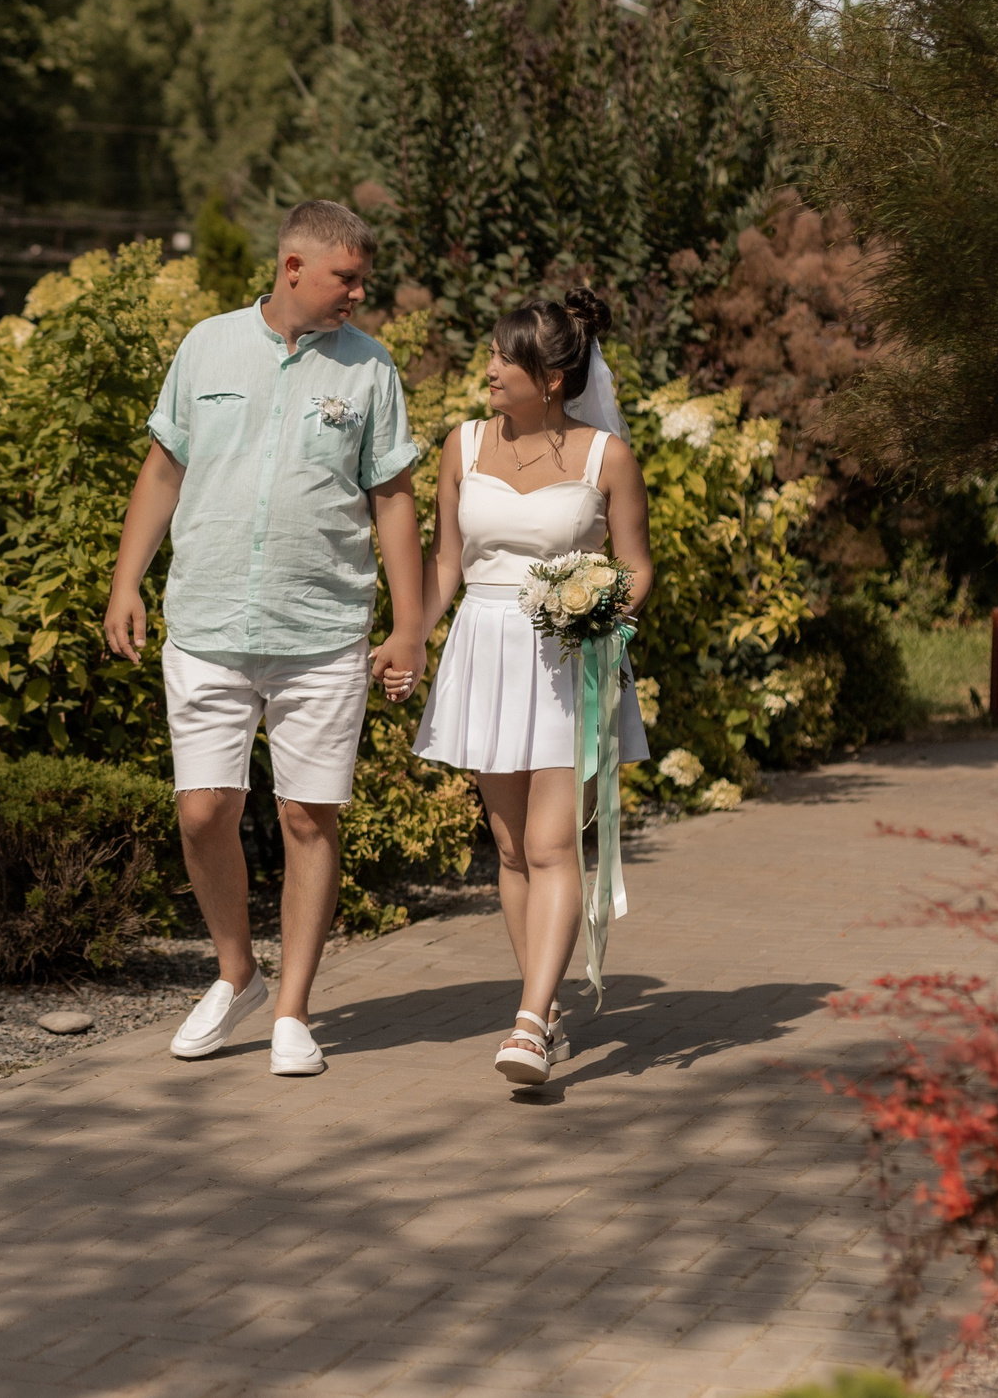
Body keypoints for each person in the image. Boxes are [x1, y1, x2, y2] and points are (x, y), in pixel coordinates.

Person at [103, 200, 426, 1077]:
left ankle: (292, 1013)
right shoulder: (206, 345)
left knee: (305, 816)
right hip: (207, 620)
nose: (360, 292)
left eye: (363, 278)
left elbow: (392, 498)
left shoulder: (371, 370)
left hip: (321, 629)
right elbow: (164, 465)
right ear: (291, 266)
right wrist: (125, 580)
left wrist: (409, 624)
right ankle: (237, 973)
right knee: (204, 809)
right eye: (345, 278)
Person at [411, 289, 651, 1086]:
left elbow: (637, 566)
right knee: (510, 849)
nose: (487, 369)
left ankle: (526, 1026)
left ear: (550, 377)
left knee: (551, 845)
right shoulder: (463, 444)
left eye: (502, 358)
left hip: (567, 662)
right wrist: (410, 631)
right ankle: (540, 1003)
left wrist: (601, 608)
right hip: (484, 649)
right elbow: (446, 563)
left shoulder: (604, 457)